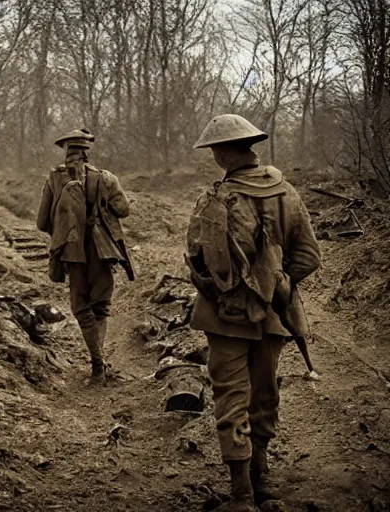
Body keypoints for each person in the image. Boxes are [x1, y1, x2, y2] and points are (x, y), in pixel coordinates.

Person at [185, 114, 321, 510]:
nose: (213, 157)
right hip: (275, 316)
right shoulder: (287, 193)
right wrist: (279, 285)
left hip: (225, 318)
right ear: (250, 149)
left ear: (224, 153)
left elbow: (195, 260)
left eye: (214, 151)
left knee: (232, 398)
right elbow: (310, 255)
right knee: (265, 396)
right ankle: (264, 486)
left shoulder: (213, 199)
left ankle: (242, 493)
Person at [36, 129, 132, 381]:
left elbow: (41, 222)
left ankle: (97, 363)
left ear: (66, 151)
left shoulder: (54, 178)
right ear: (87, 152)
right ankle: (100, 363)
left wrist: (65, 226)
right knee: (100, 306)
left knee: (81, 306)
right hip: (101, 250)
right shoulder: (106, 178)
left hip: (72, 250)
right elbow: (123, 210)